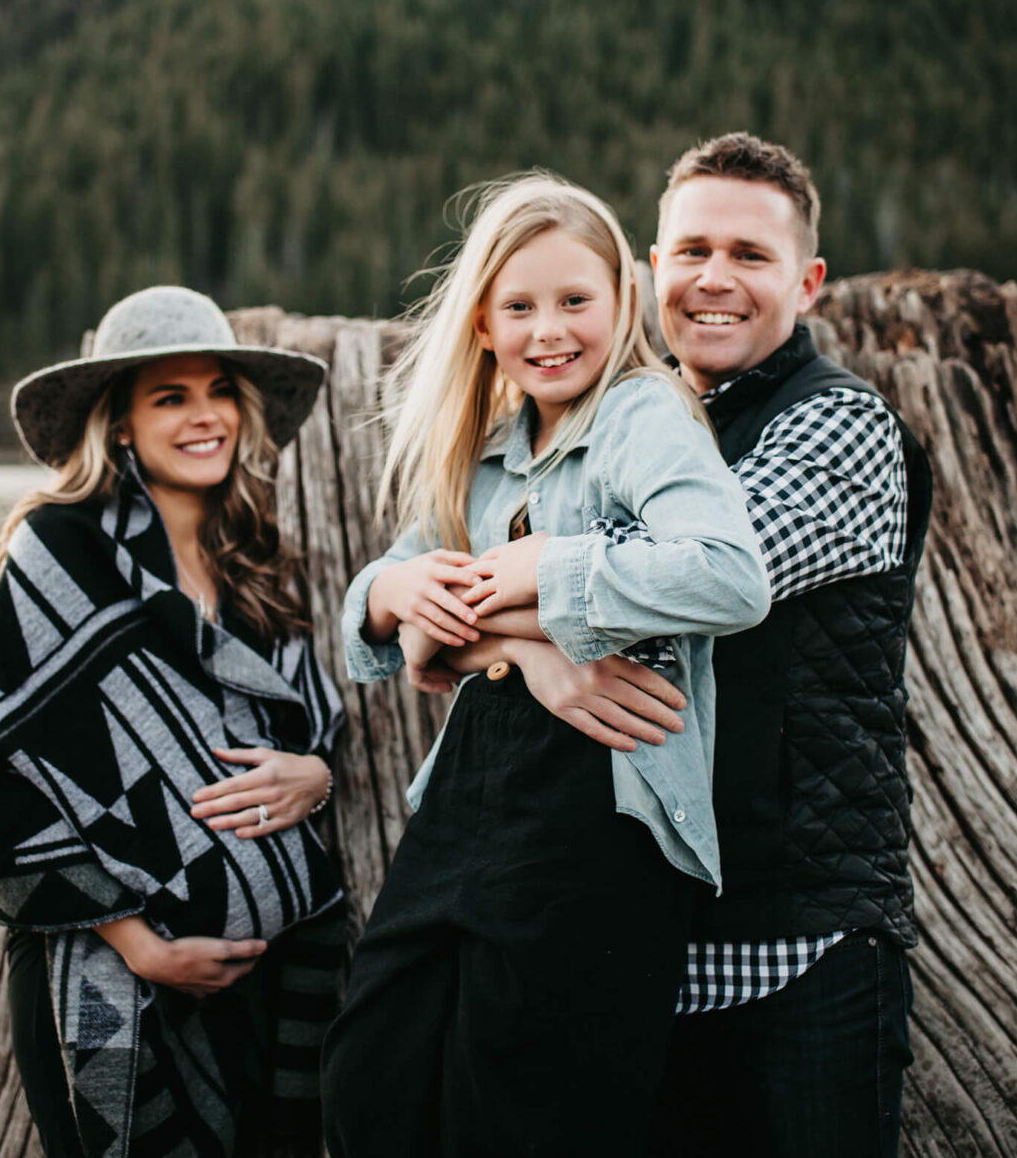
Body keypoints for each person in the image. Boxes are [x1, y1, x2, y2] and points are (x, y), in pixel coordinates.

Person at [320, 172, 771, 1157]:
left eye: (575, 301)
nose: (549, 329)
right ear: (481, 322)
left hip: (599, 799)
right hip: (472, 789)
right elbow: (392, 601)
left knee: (521, 1098)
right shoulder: (484, 444)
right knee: (371, 1067)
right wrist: (401, 600)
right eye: (519, 306)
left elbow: (732, 577)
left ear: (623, 301)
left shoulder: (640, 416)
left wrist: (546, 568)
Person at [0, 286, 346, 1158]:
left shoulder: (254, 563)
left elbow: (305, 731)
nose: (205, 417)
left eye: (219, 391)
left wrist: (318, 775)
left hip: (259, 978)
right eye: (169, 397)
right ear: (119, 425)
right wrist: (144, 947)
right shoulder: (61, 550)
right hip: (104, 971)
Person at [643, 133, 934, 1155]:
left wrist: (521, 582)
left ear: (806, 282)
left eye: (750, 255)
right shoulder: (633, 425)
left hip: (799, 941)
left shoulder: (840, 427)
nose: (713, 278)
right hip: (640, 940)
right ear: (653, 267)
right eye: (690, 250)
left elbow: (681, 579)